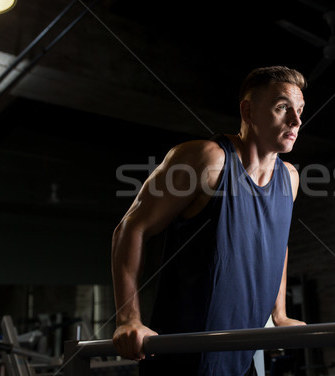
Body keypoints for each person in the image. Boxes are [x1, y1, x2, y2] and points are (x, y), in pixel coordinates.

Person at [111, 65, 307, 375]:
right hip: (184, 354)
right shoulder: (207, 159)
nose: (296, 120)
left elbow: (278, 244)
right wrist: (128, 319)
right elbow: (132, 228)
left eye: (299, 110)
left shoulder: (290, 178)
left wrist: (279, 314)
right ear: (249, 109)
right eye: (282, 107)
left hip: (241, 353)